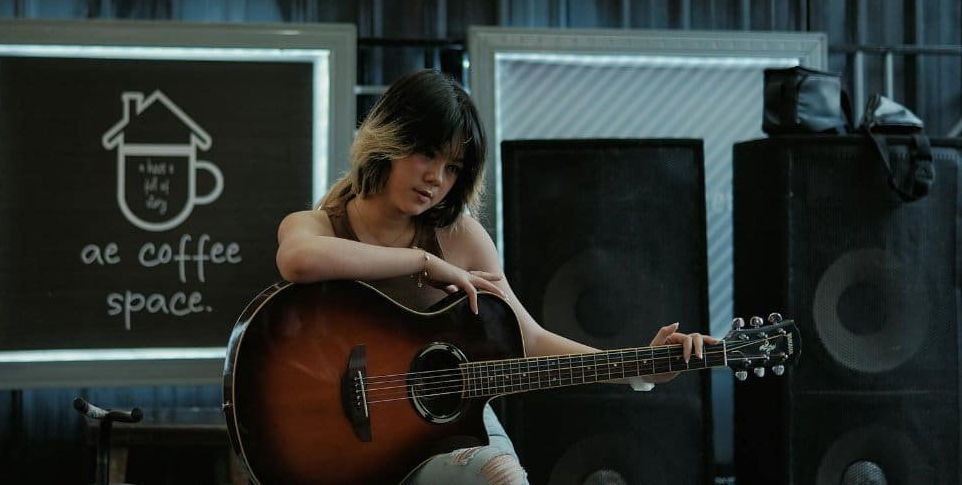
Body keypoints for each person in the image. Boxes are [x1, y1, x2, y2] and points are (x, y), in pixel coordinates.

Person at [275, 68, 717, 485]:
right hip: (341, 437)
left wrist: (643, 367)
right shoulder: (319, 225)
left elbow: (528, 341)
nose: (436, 178)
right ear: (388, 140)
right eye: (427, 154)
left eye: (452, 168)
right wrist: (422, 263)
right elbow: (297, 259)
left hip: (446, 431)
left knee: (500, 477)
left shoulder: (461, 237)